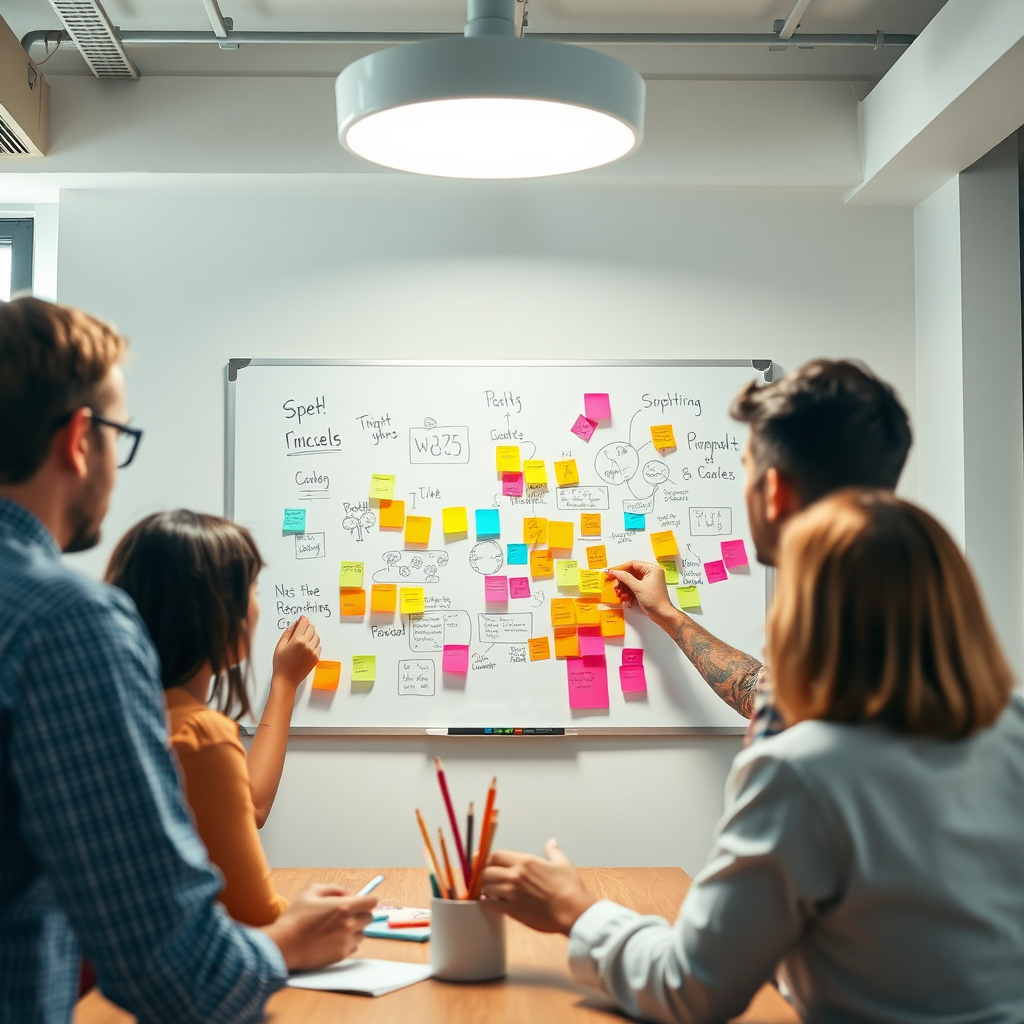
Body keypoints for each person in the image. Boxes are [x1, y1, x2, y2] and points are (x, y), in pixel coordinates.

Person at [483, 490, 1024, 1024]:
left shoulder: (801, 767)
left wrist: (574, 911)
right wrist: (669, 616)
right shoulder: (1013, 728)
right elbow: (755, 685)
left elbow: (688, 988)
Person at [0, 296, 375, 1024]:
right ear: (81, 439)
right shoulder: (68, 625)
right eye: (119, 435)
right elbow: (170, 968)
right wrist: (287, 943)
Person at [608, 359, 912, 742]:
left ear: (774, 492)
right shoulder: (893, 613)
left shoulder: (790, 757)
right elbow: (759, 691)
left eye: (746, 469)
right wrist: (667, 614)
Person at [105, 510, 317, 927]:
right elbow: (258, 916)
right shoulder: (200, 733)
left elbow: (244, 800)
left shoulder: (112, 712)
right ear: (218, 612)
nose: (258, 607)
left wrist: (284, 682)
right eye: (253, 590)